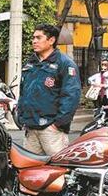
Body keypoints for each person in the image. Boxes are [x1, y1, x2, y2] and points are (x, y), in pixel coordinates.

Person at [16, 23, 81, 156]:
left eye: (39, 38)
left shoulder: (65, 63)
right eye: (33, 37)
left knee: (56, 171)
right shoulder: (30, 63)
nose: (34, 41)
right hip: (31, 128)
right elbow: (23, 91)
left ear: (51, 40)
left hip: (51, 130)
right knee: (29, 172)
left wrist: (58, 124)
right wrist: (22, 117)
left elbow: (71, 96)